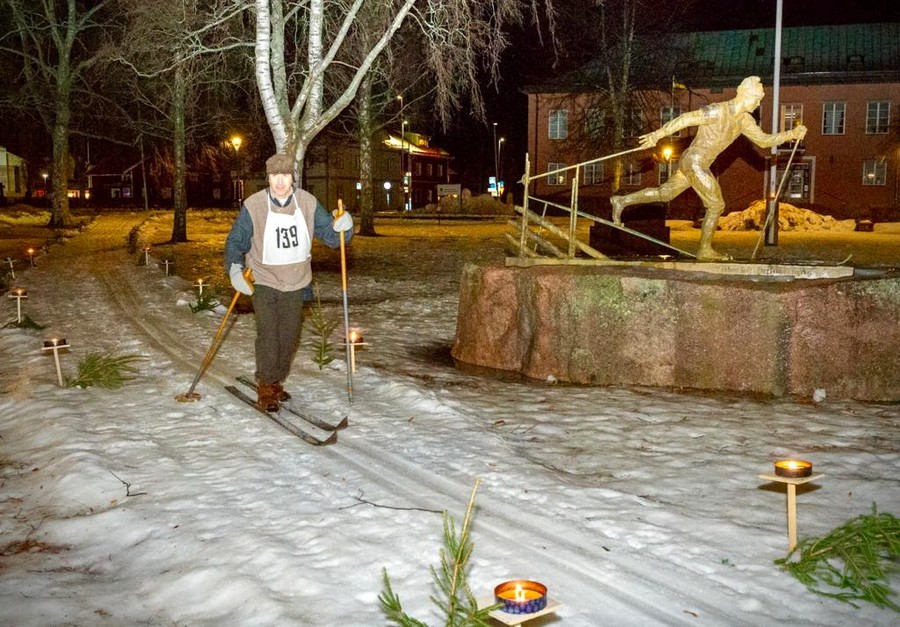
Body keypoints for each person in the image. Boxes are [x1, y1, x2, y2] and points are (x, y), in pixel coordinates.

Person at [611, 75, 806, 260]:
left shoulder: (745, 121)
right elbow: (686, 119)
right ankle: (704, 250)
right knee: (716, 205)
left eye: (759, 100)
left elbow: (764, 141)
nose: (757, 103)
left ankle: (621, 201)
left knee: (664, 194)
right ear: (744, 94)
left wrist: (791, 134)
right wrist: (658, 134)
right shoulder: (717, 110)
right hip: (694, 160)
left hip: (696, 163)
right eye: (756, 99)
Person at [225, 153, 353, 411]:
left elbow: (331, 236)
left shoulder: (307, 202)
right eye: (275, 176)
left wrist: (344, 227)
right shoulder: (254, 205)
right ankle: (266, 385)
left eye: (285, 175)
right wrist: (235, 270)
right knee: (269, 335)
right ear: (268, 177)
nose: (280, 181)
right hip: (264, 279)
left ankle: (275, 380)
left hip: (296, 282)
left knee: (289, 337)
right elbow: (236, 242)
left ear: (293, 177)